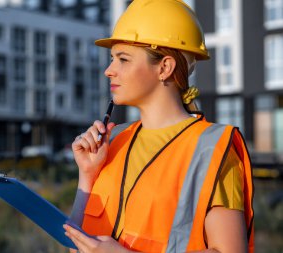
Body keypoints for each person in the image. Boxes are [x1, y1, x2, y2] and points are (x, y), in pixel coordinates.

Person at [63, 0, 254, 252]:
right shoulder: (112, 142)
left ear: (164, 67)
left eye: (123, 59)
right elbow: (75, 246)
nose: (109, 70)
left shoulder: (210, 151)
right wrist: (87, 175)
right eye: (112, 58)